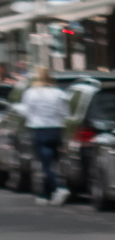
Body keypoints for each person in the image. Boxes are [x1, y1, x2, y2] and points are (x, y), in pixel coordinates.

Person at [18, 67, 71, 203]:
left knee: (45, 164)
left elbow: (26, 111)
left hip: (39, 130)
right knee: (52, 162)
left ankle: (59, 188)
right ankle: (45, 195)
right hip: (56, 130)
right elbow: (65, 113)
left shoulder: (31, 93)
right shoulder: (58, 93)